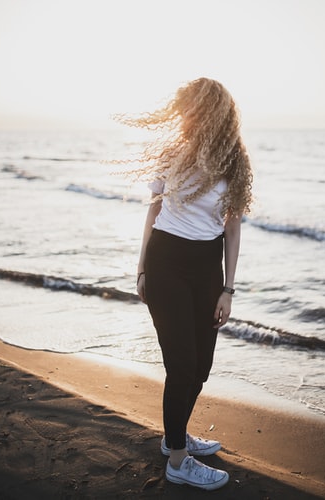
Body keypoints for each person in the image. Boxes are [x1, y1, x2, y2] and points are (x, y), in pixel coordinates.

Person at [115, 77, 252, 490]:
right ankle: (178, 459)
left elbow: (231, 229)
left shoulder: (235, 163)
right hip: (166, 263)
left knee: (201, 367)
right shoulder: (171, 153)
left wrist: (228, 288)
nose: (187, 114)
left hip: (207, 269)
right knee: (182, 364)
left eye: (194, 107)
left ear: (214, 112)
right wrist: (141, 268)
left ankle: (175, 435)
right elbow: (153, 212)